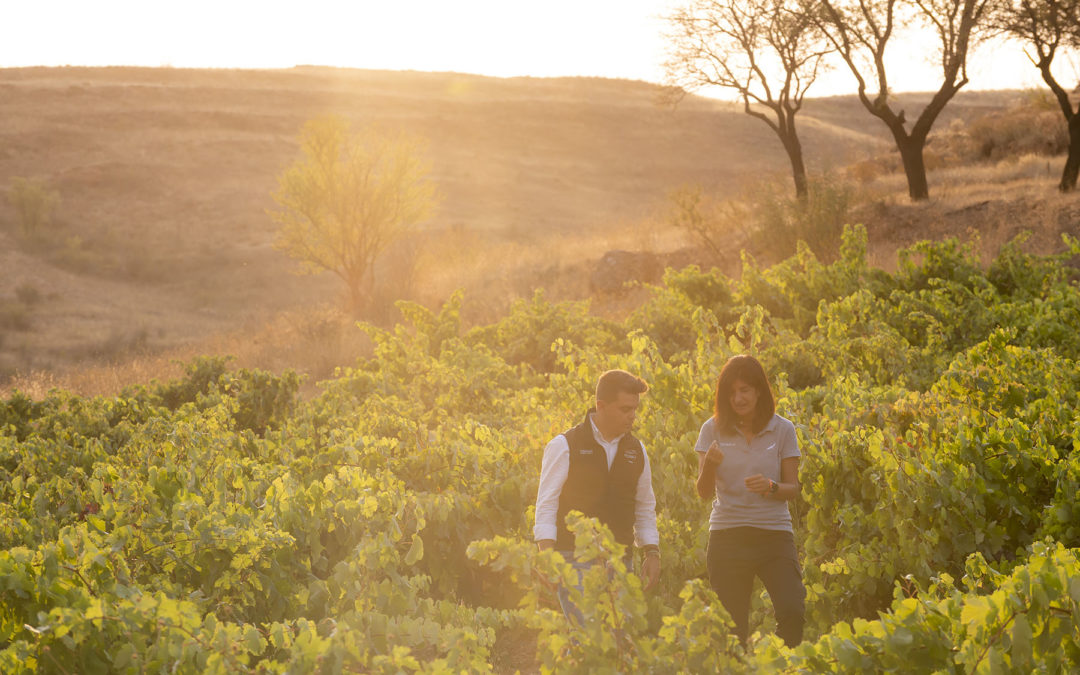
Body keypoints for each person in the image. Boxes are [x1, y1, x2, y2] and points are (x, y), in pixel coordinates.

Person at [533, 369, 661, 623]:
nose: (632, 416)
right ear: (600, 406)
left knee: (617, 640)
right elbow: (546, 504)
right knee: (588, 635)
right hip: (573, 558)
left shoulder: (637, 450)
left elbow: (644, 506)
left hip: (622, 561)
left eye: (635, 409)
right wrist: (546, 556)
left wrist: (652, 552)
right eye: (625, 410)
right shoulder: (564, 445)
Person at [695, 354, 805, 647]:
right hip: (728, 536)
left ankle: (780, 666)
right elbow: (703, 491)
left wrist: (771, 487)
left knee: (793, 611)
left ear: (759, 390)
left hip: (774, 535)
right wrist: (710, 466)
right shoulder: (712, 429)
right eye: (731, 392)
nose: (738, 398)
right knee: (732, 631)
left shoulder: (783, 429)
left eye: (744, 390)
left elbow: (793, 488)